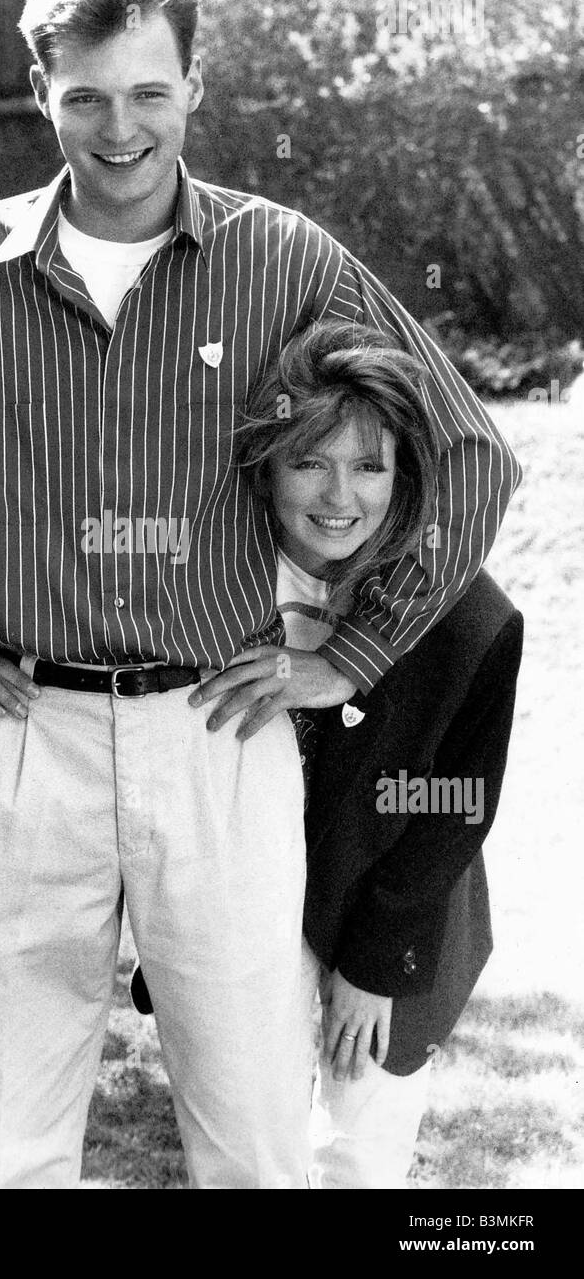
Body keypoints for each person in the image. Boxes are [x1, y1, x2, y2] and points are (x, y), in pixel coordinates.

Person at [0, 0, 520, 1189]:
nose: (119, 128)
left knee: (254, 1138)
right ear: (38, 90)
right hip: (17, 736)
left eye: (148, 92)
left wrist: (354, 656)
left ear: (192, 92)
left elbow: (469, 456)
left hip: (213, 735)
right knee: (1, 1148)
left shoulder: (286, 262)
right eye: (87, 95)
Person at [187, 318, 523, 1186]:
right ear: (266, 467)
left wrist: (376, 962)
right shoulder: (207, 593)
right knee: (246, 1146)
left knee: (359, 1154)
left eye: (368, 465)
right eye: (310, 460)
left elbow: (452, 807)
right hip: (247, 902)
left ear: (402, 476)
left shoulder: (461, 615)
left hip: (395, 905)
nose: (340, 496)